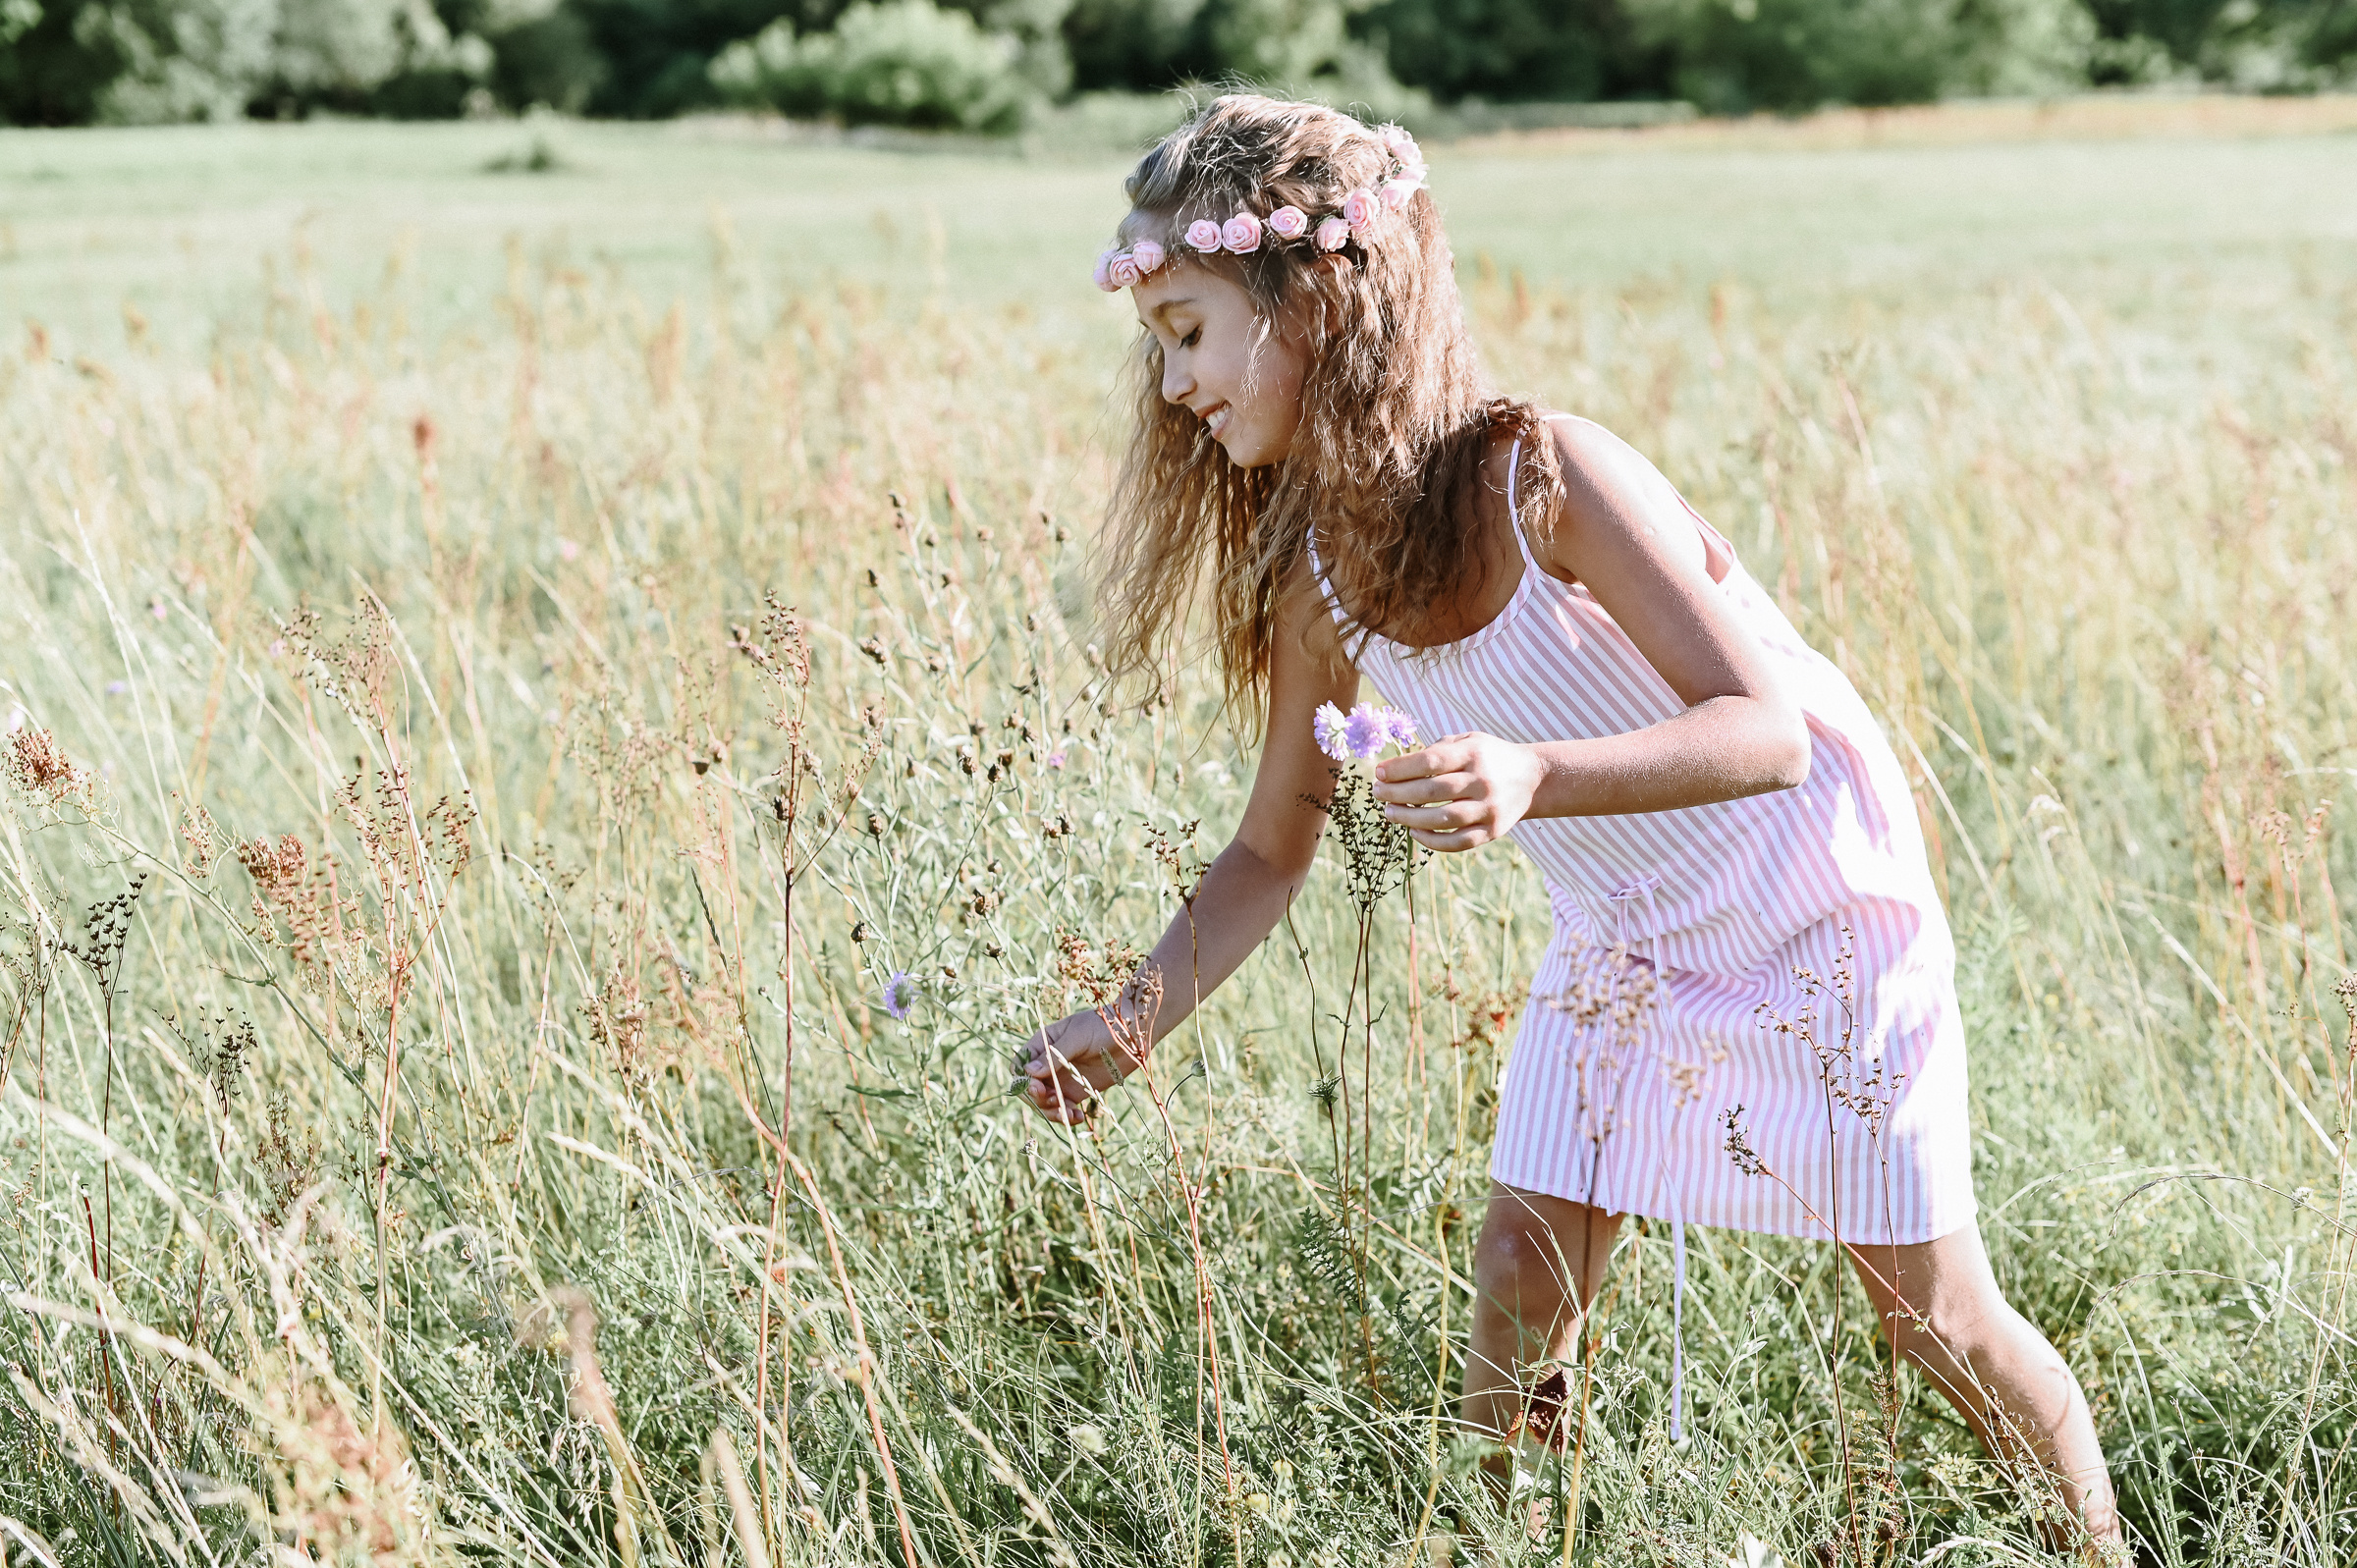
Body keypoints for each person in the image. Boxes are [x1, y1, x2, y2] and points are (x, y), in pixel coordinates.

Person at [1016, 92, 2119, 1547]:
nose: (1172, 387)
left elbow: (1766, 731)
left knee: (1933, 1316)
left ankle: (2105, 1548)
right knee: (1519, 1286)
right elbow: (1271, 849)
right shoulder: (1318, 577)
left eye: (1187, 332)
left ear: (1318, 300)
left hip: (1814, 906)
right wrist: (1136, 1013)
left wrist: (1533, 773)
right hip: (1628, 936)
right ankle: (1500, 1542)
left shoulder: (1547, 477)